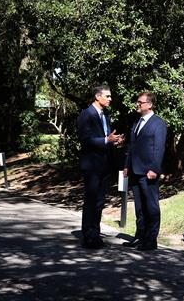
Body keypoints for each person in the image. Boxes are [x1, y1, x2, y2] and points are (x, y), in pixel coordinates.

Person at [77, 85, 124, 249]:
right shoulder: (86, 115)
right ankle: (87, 235)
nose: (110, 99)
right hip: (92, 165)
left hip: (105, 165)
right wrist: (106, 140)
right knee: (90, 200)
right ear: (98, 97)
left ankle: (95, 234)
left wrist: (114, 141)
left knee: (99, 201)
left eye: (110, 96)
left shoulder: (106, 115)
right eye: (108, 96)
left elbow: (106, 136)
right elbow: (86, 140)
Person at [123, 92, 167, 251]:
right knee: (139, 207)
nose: (137, 104)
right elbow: (131, 146)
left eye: (140, 102)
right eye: (138, 102)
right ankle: (140, 236)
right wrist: (126, 165)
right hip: (135, 171)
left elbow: (159, 148)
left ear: (149, 105)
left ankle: (151, 240)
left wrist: (154, 168)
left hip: (148, 172)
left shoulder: (158, 124)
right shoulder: (137, 122)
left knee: (151, 206)